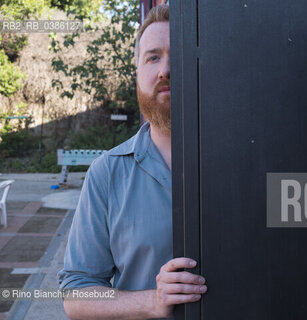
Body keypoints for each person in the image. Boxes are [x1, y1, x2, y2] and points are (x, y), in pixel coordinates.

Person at [57, 5, 207, 319]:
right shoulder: (106, 173)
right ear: (137, 73)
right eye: (153, 57)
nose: (165, 69)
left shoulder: (247, 165)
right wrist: (152, 302)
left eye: (177, 54)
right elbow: (76, 294)